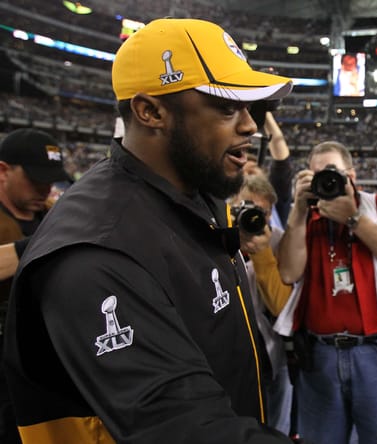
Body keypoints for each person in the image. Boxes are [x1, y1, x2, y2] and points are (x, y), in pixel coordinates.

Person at [2, 18, 296, 443]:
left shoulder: (195, 194)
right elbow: (184, 428)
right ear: (150, 111)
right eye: (227, 106)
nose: (249, 125)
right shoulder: (97, 253)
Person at [275, 141, 377, 444]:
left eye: (333, 172)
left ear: (351, 174)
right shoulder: (306, 217)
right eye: (318, 175)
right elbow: (288, 272)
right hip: (321, 356)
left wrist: (353, 219)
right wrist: (298, 213)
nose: (327, 181)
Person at [0, 127, 71, 444]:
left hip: (47, 358)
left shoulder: (55, 215)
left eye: (50, 178)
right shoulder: (60, 224)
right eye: (34, 177)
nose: (45, 187)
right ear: (3, 170)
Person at [231, 174, 294, 437]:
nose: (254, 216)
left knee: (276, 427)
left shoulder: (279, 241)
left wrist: (262, 254)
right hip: (230, 357)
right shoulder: (217, 238)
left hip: (271, 356)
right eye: (246, 207)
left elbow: (281, 307)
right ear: (233, 206)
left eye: (262, 212)